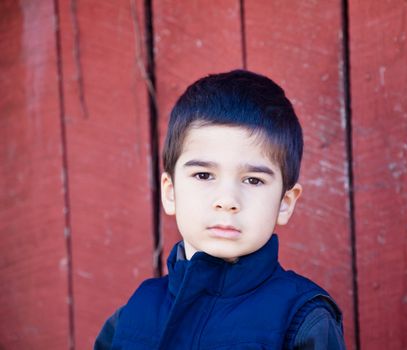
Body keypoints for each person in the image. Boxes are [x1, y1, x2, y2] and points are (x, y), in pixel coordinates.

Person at [94, 70, 346, 349]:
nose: (227, 201)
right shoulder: (133, 316)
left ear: (285, 203)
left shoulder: (302, 320)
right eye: (203, 175)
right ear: (170, 192)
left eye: (253, 180)